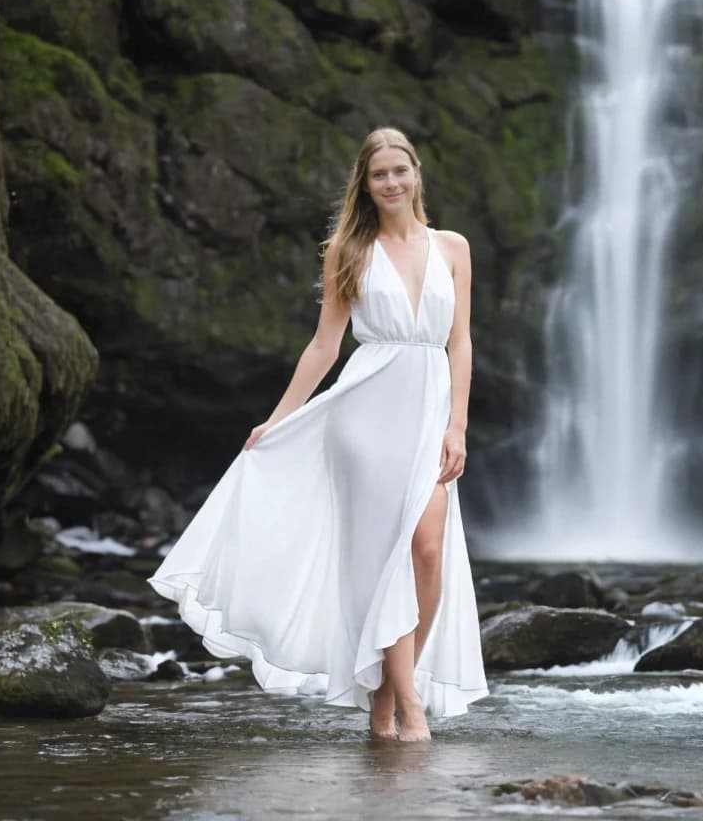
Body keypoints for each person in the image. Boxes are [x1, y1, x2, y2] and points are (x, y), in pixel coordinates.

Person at [148, 127, 489, 741]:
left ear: (416, 174)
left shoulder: (454, 248)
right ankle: (407, 706)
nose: (391, 183)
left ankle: (387, 692)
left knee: (428, 551)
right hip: (365, 413)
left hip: (429, 408)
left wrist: (457, 423)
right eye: (378, 174)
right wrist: (279, 419)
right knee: (379, 560)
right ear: (365, 183)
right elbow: (325, 345)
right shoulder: (348, 250)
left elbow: (460, 341)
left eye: (399, 171)